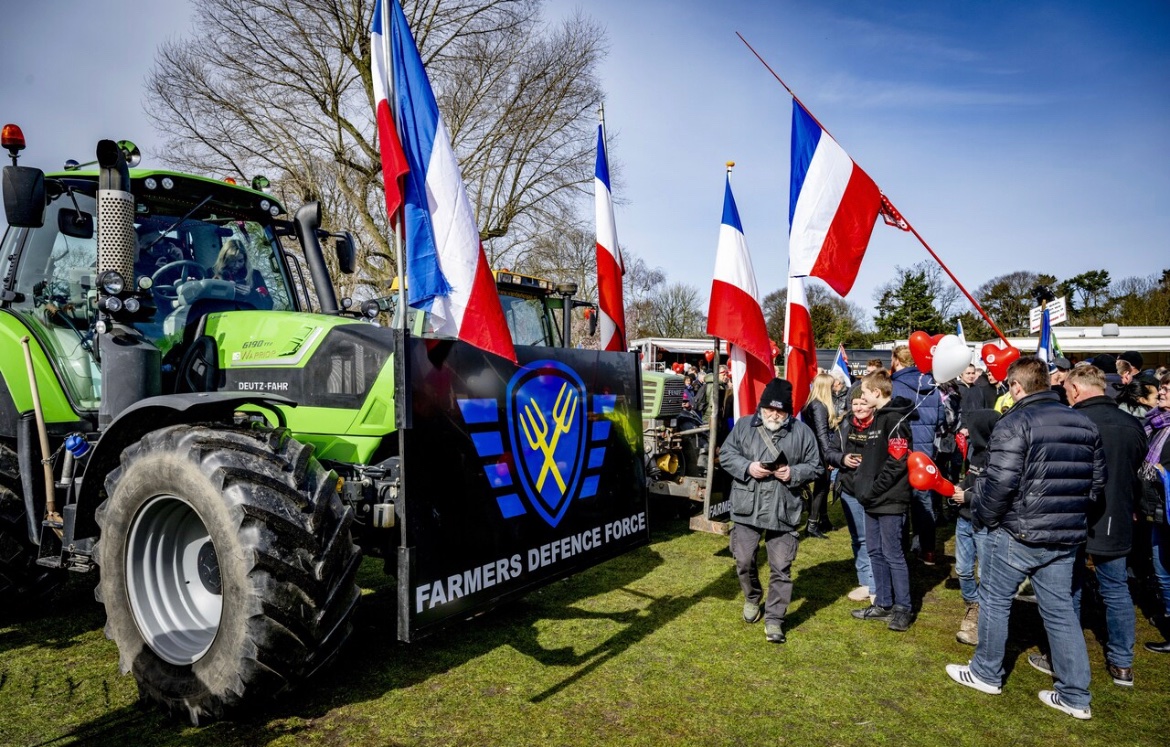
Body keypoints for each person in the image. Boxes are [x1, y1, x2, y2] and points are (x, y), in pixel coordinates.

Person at [946, 357, 1105, 721]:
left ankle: (987, 672)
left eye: (1009, 387)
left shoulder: (1014, 421)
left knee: (995, 600)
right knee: (1061, 610)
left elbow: (999, 484)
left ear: (1016, 387)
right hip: (1064, 535)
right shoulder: (1083, 422)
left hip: (1019, 532)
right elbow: (1097, 484)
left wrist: (985, 519)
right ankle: (1075, 695)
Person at [1024, 364, 1145, 686]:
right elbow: (1139, 470)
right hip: (1118, 516)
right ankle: (1121, 663)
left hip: (1074, 515)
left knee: (1068, 590)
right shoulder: (1133, 423)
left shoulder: (1076, 422)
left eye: (1065, 391)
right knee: (1115, 589)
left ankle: (1063, 659)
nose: (1065, 396)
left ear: (1076, 390)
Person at [721, 378, 823, 644]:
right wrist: (747, 467)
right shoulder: (743, 426)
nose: (774, 414)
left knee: (781, 567)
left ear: (789, 411)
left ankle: (775, 619)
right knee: (743, 559)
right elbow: (726, 455)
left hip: (783, 507)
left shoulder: (802, 432)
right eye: (769, 409)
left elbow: (816, 466)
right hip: (747, 506)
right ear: (761, 406)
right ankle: (752, 597)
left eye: (781, 410)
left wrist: (794, 472)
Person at [850, 370, 915, 632]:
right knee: (875, 551)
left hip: (890, 499)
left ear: (877, 392)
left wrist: (874, 489)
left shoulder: (896, 420)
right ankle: (883, 603)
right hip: (872, 499)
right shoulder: (876, 419)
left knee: (893, 554)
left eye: (864, 393)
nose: (862, 398)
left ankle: (903, 608)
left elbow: (897, 462)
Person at [890, 345, 945, 565]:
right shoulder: (933, 387)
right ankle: (928, 550)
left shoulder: (894, 386)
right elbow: (941, 419)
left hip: (902, 452)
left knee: (900, 502)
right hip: (925, 453)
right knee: (924, 503)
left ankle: (900, 550)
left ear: (896, 360)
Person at [951, 408, 999, 646]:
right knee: (962, 568)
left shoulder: (998, 457)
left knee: (985, 572)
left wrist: (968, 498)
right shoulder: (976, 453)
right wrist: (959, 487)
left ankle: (981, 614)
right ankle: (973, 603)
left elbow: (996, 493)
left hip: (983, 522)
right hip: (964, 518)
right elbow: (971, 479)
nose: (968, 432)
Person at [826, 386, 876, 602]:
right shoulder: (843, 426)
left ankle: (876, 584)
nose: (858, 408)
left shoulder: (880, 425)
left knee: (874, 538)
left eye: (862, 403)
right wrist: (843, 459)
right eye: (854, 404)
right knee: (858, 537)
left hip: (875, 489)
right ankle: (865, 581)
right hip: (849, 488)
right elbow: (830, 452)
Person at [1140, 374, 1170, 654]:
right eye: (1162, 388)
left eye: (1168, 390)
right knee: (1162, 571)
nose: (1161, 393)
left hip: (1167, 509)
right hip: (1156, 508)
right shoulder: (1156, 424)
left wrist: (1163, 473)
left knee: (1165, 571)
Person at [801, 373, 838, 539]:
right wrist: (829, 456)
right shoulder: (819, 406)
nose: (834, 389)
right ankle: (813, 523)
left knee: (822, 487)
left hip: (818, 450)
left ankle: (823, 519)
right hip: (820, 452)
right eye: (831, 386)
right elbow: (822, 434)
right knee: (821, 488)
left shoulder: (815, 404)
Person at [212, 239, 272, 310]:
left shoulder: (254, 275)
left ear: (245, 260)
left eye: (240, 261)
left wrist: (252, 294)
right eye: (232, 261)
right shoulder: (213, 273)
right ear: (224, 259)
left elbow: (268, 306)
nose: (236, 265)